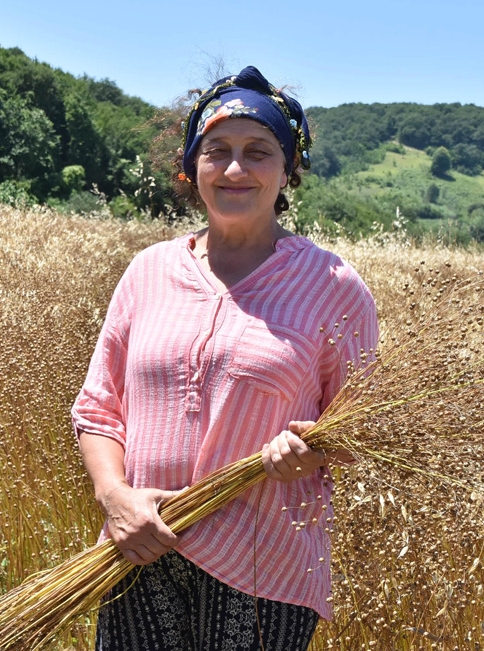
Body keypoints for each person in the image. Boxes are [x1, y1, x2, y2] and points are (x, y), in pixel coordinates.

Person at [71, 66, 378, 651]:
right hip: (138, 547)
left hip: (264, 562)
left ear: (288, 169)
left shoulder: (333, 285)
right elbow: (99, 407)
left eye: (259, 151)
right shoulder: (149, 272)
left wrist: (313, 449)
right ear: (193, 167)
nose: (236, 168)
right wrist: (115, 498)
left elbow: (361, 425)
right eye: (218, 151)